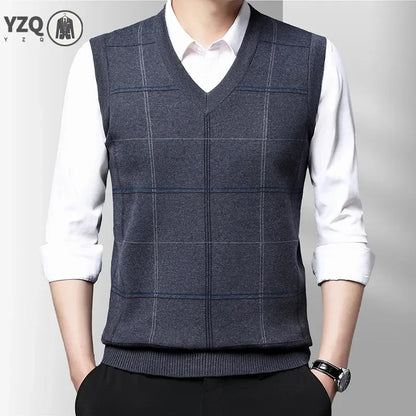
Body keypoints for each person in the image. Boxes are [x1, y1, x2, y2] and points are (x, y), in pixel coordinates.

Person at [39, 1, 376, 415]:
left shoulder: (313, 60)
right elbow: (71, 230)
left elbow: (342, 225)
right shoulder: (101, 61)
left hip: (277, 383)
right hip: (132, 384)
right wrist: (85, 377)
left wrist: (327, 373)